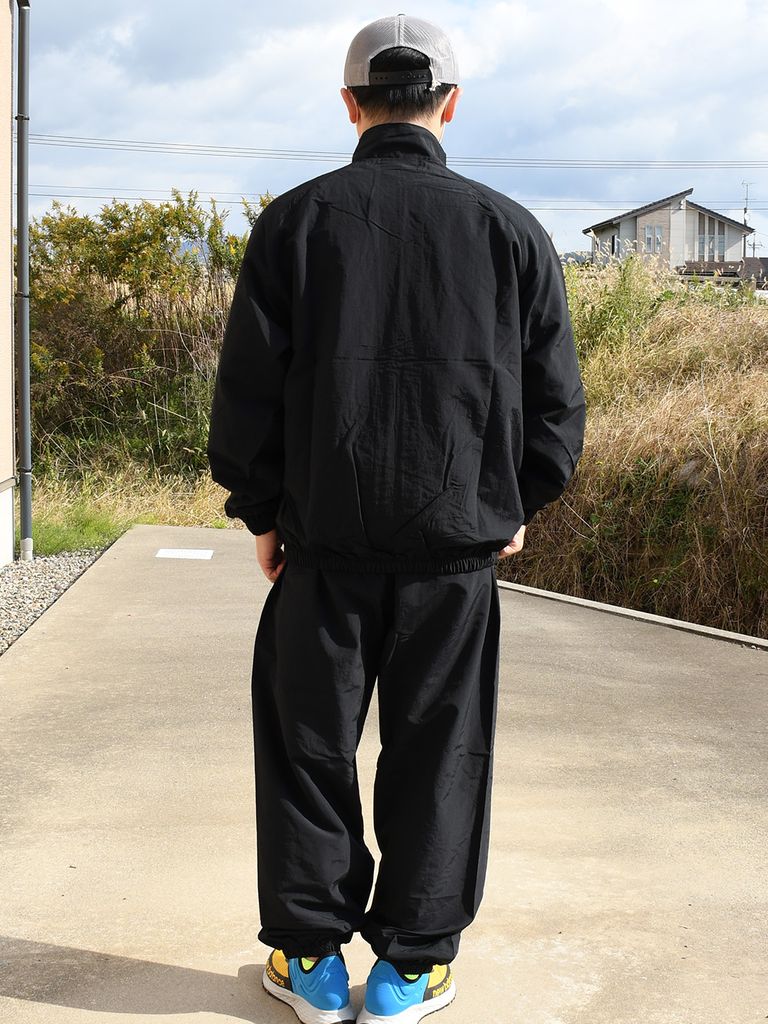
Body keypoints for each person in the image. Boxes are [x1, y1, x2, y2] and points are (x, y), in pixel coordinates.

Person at [206, 13, 586, 1024]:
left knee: (308, 748)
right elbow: (557, 404)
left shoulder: (296, 223)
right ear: (450, 103)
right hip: (455, 557)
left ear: (350, 103)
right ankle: (409, 971)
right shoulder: (511, 231)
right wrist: (516, 502)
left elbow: (247, 397)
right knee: (440, 753)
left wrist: (262, 513)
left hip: (321, 548)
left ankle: (310, 960)